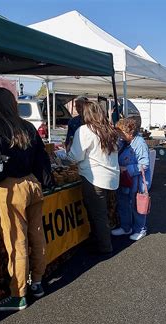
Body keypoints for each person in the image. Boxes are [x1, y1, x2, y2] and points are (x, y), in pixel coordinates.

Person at [0, 87, 53, 311]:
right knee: (37, 235)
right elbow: (42, 158)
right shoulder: (26, 126)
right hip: (32, 185)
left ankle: (18, 294)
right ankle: (37, 282)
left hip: (10, 188)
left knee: (16, 241)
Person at [68, 101, 119, 255]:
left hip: (94, 178)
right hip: (111, 178)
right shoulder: (110, 129)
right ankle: (102, 241)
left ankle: (104, 247)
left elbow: (75, 156)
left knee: (98, 214)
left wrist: (69, 152)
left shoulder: (85, 130)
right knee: (103, 213)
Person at [112, 118, 151, 241]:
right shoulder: (124, 142)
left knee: (136, 205)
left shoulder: (139, 143)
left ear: (129, 132)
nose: (118, 134)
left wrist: (127, 169)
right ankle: (126, 227)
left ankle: (140, 229)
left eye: (120, 132)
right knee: (123, 203)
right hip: (124, 179)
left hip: (137, 181)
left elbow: (144, 164)